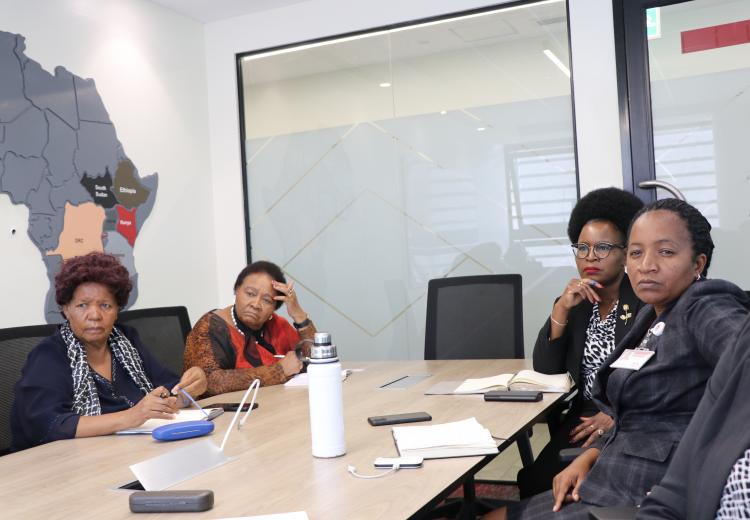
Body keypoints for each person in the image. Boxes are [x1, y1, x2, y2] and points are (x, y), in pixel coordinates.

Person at [484, 198, 750, 520]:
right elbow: (638, 414)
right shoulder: (653, 313)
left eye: (665, 252)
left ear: (698, 264)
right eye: (637, 253)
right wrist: (591, 456)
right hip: (612, 469)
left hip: (647, 492)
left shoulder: (703, 304)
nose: (646, 265)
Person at [11, 252, 207, 451]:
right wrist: (131, 417)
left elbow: (169, 389)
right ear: (66, 309)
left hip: (132, 449)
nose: (95, 315)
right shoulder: (48, 356)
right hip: (66, 460)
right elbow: (49, 425)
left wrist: (190, 389)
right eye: (82, 305)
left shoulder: (126, 340)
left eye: (105, 305)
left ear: (117, 310)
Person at [519, 188, 645, 497]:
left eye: (602, 247)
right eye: (582, 248)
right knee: (534, 481)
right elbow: (546, 370)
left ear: (626, 252)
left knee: (567, 486)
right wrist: (561, 309)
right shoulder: (576, 304)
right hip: (585, 414)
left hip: (632, 414)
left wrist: (617, 414)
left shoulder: (644, 301)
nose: (590, 257)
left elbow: (656, 374)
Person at [638, 314, 750, 519]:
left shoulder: (706, 307)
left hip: (645, 463)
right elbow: (671, 498)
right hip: (623, 463)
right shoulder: (649, 315)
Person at [183, 261, 316, 396]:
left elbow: (316, 359)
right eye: (250, 294)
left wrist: (299, 315)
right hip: (227, 408)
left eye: (267, 300)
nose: (256, 304)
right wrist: (279, 370)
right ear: (236, 290)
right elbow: (210, 383)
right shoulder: (210, 327)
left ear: (274, 307)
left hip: (274, 402)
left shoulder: (277, 325)